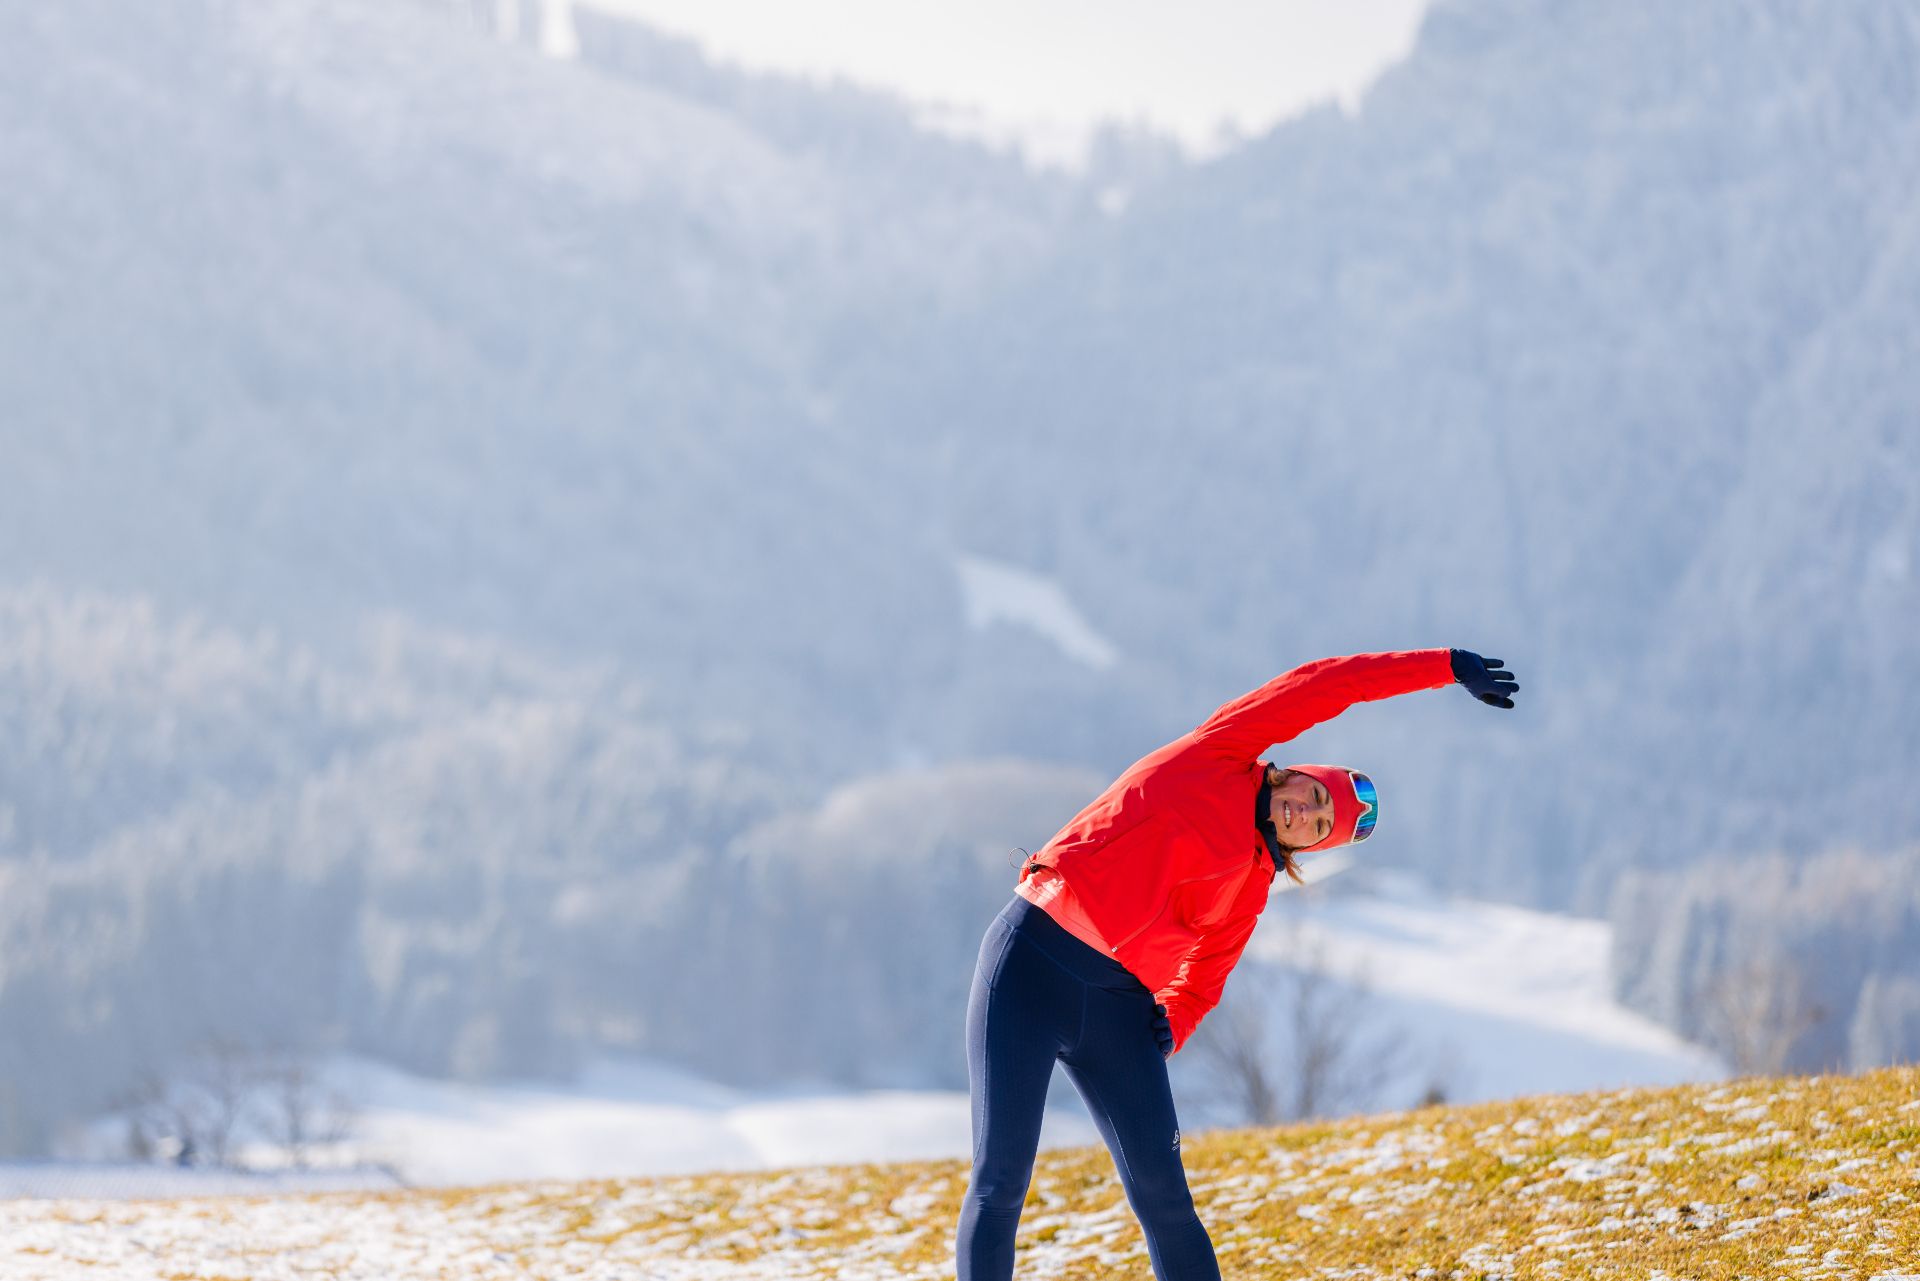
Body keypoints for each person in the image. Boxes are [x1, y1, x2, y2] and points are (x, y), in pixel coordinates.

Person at [955, 647, 1520, 1281]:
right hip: (1031, 962)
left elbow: (1203, 980)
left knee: (1167, 1200)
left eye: (1320, 825)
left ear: (1311, 845)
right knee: (1000, 1180)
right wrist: (1445, 665)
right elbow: (1327, 684)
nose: (1307, 814)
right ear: (1294, 776)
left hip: (1118, 1010)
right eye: (1315, 795)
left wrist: (1173, 1023)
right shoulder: (1220, 753)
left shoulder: (1252, 885)